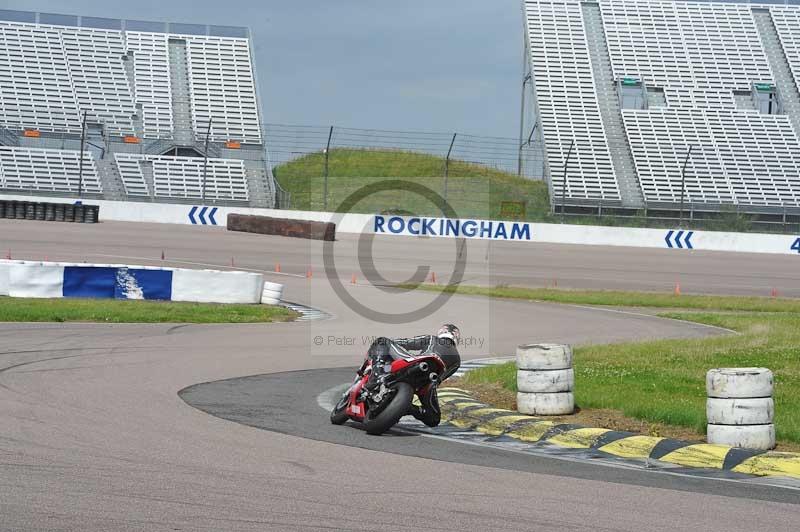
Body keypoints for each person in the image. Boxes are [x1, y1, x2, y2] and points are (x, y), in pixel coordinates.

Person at [362, 324, 461, 427]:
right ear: (456, 338)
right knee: (433, 418)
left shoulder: (431, 339)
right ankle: (408, 407)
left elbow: (404, 343)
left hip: (414, 364)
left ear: (441, 332)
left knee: (382, 341)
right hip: (428, 381)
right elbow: (440, 379)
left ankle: (376, 377)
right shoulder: (457, 362)